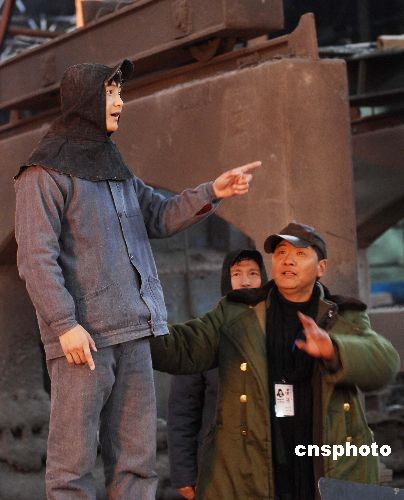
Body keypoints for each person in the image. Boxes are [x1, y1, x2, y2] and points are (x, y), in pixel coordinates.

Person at [13, 58, 260, 499]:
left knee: (137, 464)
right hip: (84, 341)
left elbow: (160, 216)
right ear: (86, 99)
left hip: (135, 332)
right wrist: (65, 324)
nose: (120, 102)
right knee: (72, 468)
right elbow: (35, 257)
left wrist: (213, 191)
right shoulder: (42, 175)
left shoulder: (114, 166)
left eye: (119, 92)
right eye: (111, 92)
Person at [151, 221, 400, 500]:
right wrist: (138, 329)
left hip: (325, 461)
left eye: (300, 254)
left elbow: (385, 363)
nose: (287, 260)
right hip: (255, 466)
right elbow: (183, 348)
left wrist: (334, 350)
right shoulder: (236, 312)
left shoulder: (344, 315)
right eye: (281, 253)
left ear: (321, 268)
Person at [167, 249, 267, 499]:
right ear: (226, 280)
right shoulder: (206, 334)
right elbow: (183, 411)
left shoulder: (276, 330)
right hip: (216, 465)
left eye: (253, 273)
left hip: (267, 464)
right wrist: (184, 474)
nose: (245, 281)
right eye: (237, 274)